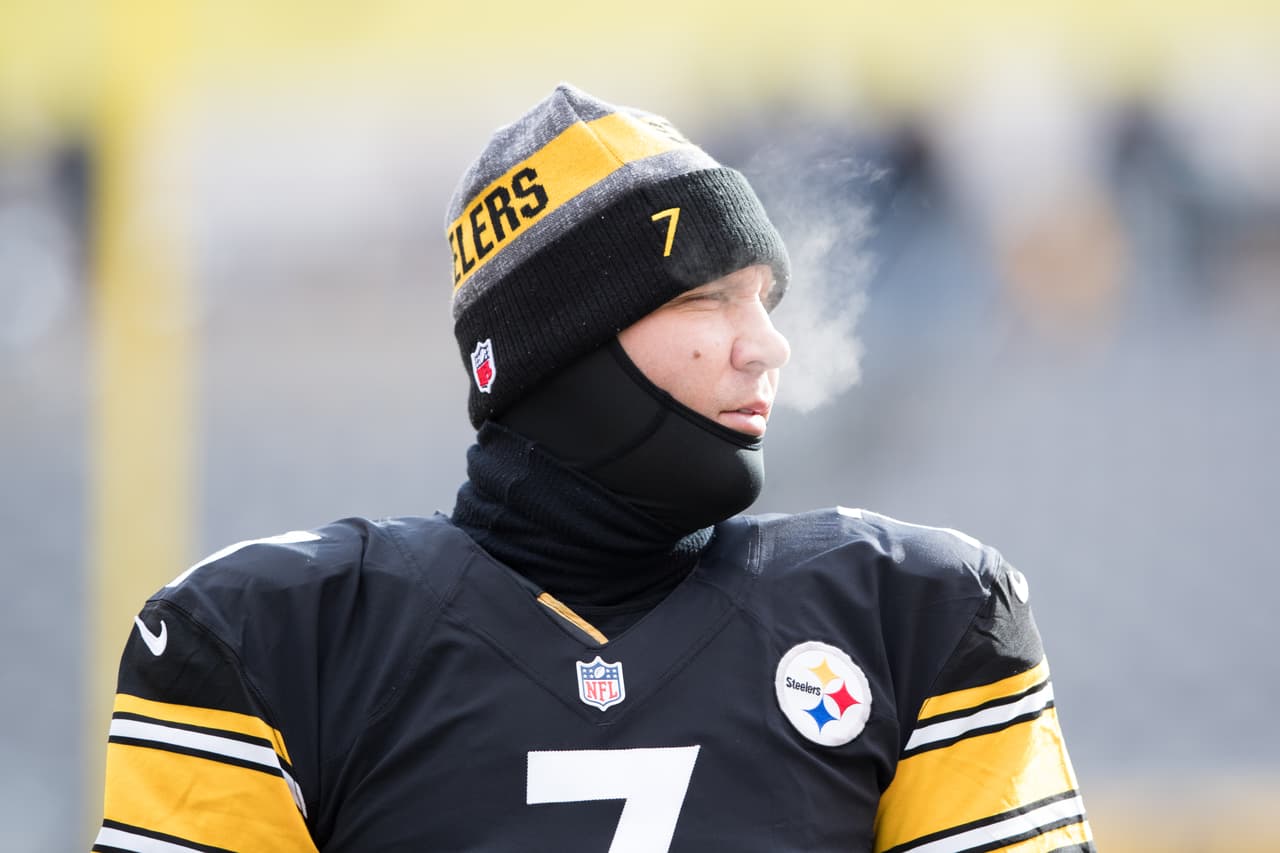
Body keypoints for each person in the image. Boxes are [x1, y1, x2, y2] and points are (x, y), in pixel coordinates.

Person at [95, 84, 1093, 853]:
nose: (764, 346)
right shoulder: (269, 642)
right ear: (556, 341)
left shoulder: (912, 614)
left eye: (764, 299)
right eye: (707, 299)